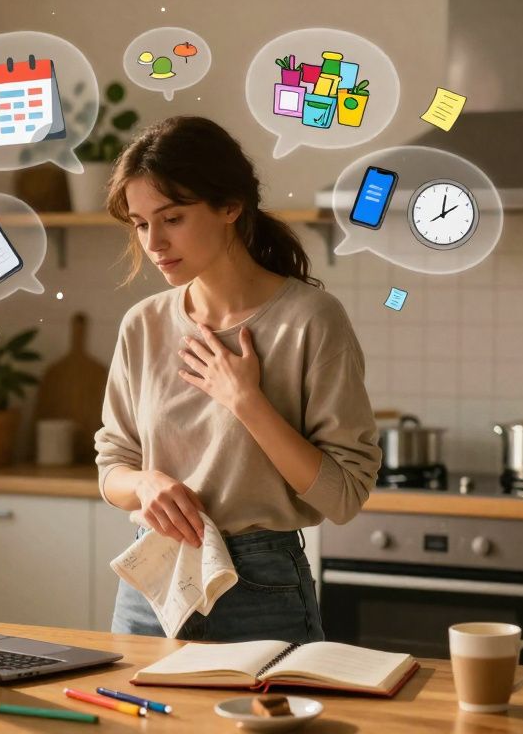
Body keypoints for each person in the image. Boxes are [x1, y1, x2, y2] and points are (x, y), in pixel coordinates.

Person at [94, 116, 381, 644]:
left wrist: (246, 400)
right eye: (140, 224)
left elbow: (344, 496)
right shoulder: (143, 324)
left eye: (172, 218)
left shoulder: (310, 320)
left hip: (262, 592)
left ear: (230, 206)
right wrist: (145, 484)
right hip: (152, 584)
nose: (154, 242)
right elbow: (112, 464)